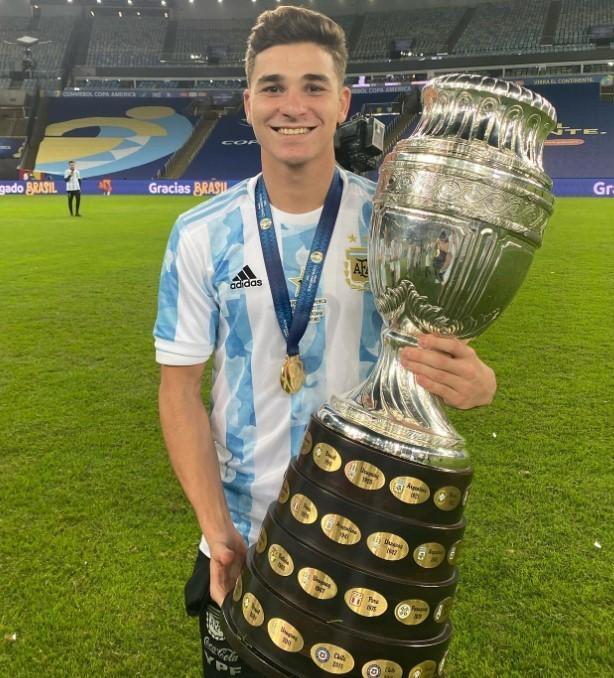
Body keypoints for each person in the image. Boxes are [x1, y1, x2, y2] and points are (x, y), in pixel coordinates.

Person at [154, 7, 496, 676]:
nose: (293, 105)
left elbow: (440, 347)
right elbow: (179, 393)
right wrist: (218, 532)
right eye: (273, 87)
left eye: (314, 86)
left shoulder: (396, 227)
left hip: (370, 539)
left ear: (342, 103)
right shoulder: (201, 234)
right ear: (248, 104)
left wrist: (476, 381)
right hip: (244, 541)